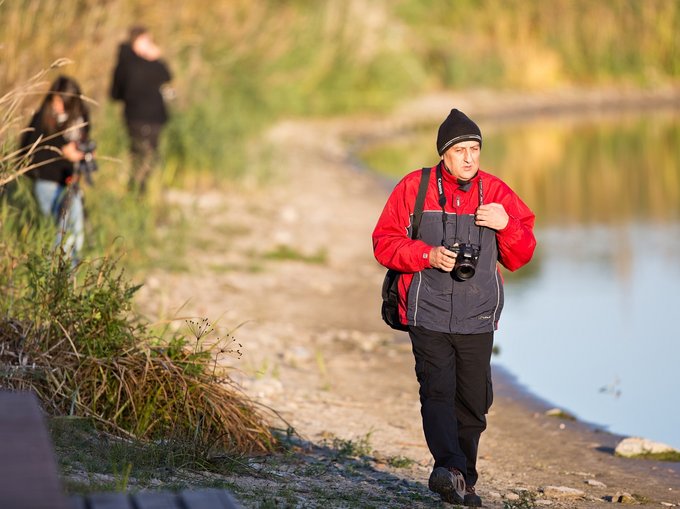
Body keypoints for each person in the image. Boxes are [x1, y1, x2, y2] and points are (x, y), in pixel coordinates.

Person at [372, 109, 536, 506]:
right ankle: (451, 471)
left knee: (474, 402)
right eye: (460, 150)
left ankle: (464, 475)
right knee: (437, 391)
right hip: (426, 312)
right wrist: (427, 255)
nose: (469, 158)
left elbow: (522, 255)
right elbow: (384, 243)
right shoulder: (414, 187)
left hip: (478, 316)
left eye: (475, 149)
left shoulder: (497, 192)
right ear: (443, 154)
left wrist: (505, 225)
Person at [20, 75, 94, 263]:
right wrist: (62, 153)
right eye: (56, 100)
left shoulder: (80, 117)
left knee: (74, 227)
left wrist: (80, 154)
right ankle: (57, 273)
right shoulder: (42, 117)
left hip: (70, 181)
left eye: (63, 102)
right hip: (46, 181)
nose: (58, 106)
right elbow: (27, 154)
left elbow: (85, 143)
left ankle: (69, 272)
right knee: (60, 229)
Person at [110, 25, 172, 193]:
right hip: (140, 117)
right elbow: (118, 92)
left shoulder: (130, 62)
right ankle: (136, 194)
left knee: (147, 157)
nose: (150, 45)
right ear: (136, 41)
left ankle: (138, 193)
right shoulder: (130, 63)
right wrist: (154, 60)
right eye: (147, 40)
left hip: (152, 117)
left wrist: (155, 59)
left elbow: (167, 76)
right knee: (143, 158)